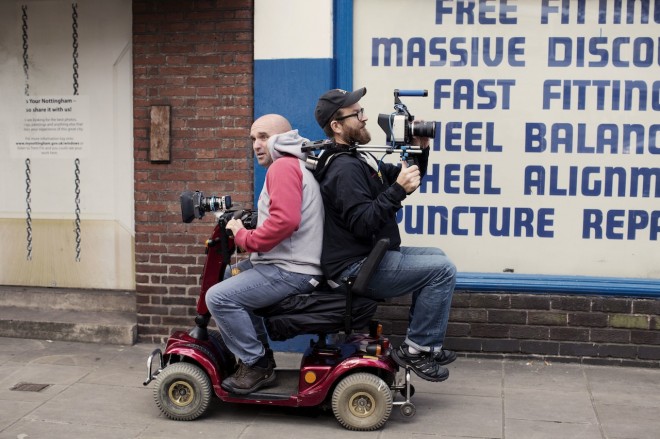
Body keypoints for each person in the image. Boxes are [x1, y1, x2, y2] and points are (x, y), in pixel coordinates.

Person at [312, 87, 457, 382]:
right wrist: (396, 191)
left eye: (362, 110)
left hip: (372, 256)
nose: (365, 118)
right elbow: (363, 223)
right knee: (441, 270)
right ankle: (418, 349)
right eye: (358, 114)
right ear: (337, 126)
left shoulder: (356, 157)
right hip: (354, 267)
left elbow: (403, 177)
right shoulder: (343, 169)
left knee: (438, 258)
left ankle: (426, 341)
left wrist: (421, 148)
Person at [205, 114, 324, 394]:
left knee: (218, 296)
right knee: (226, 275)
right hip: (286, 264)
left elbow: (285, 222)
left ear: (283, 137)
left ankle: (255, 363)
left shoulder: (282, 167)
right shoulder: (296, 164)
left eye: (263, 137)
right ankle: (262, 358)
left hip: (292, 270)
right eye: (253, 139)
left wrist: (244, 237)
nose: (257, 145)